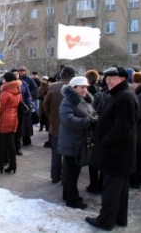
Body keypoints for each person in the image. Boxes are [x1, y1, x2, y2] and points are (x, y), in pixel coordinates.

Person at [86, 66, 138, 231]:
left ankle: (105, 221)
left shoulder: (124, 97)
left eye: (112, 78)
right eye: (107, 78)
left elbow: (123, 127)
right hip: (118, 153)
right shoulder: (119, 94)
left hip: (116, 153)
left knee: (111, 190)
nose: (108, 81)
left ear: (122, 78)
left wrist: (106, 141)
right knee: (119, 191)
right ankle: (119, 218)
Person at [58, 76, 96, 210]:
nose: (85, 90)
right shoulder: (68, 101)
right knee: (72, 172)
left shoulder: (84, 100)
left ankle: (68, 195)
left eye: (86, 87)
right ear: (74, 88)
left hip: (78, 141)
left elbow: (91, 113)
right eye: (82, 87)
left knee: (72, 171)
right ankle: (72, 199)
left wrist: (94, 118)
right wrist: (89, 122)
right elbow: (68, 120)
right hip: (71, 142)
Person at [44, 66, 75, 184]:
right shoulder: (75, 87)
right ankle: (66, 178)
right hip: (71, 127)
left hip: (55, 125)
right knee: (68, 154)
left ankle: (55, 176)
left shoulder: (53, 86)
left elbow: (45, 105)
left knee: (56, 153)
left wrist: (51, 118)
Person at [0, 72, 21, 174]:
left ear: (7, 80)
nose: (2, 80)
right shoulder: (17, 90)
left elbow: (0, 108)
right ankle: (13, 165)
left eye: (4, 79)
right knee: (11, 143)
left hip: (4, 119)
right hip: (14, 118)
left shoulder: (5, 92)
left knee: (1, 144)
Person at [11, 68, 32, 153]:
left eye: (17, 74)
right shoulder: (7, 84)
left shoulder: (24, 84)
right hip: (11, 109)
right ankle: (11, 147)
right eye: (14, 74)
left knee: (19, 129)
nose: (16, 75)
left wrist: (29, 105)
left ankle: (18, 147)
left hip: (21, 108)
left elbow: (28, 95)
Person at [18, 66, 37, 146]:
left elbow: (35, 89)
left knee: (27, 123)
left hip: (26, 103)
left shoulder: (29, 80)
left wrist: (30, 96)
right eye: (20, 71)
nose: (22, 72)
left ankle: (27, 140)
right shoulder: (17, 80)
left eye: (23, 71)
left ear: (26, 71)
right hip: (19, 103)